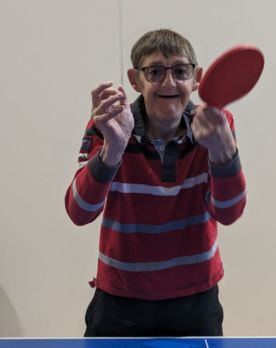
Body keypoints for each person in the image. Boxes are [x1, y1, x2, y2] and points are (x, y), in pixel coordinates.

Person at [65, 28, 246, 337]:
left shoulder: (216, 125)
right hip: (119, 299)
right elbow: (79, 212)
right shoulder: (109, 124)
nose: (169, 82)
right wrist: (113, 150)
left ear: (196, 77)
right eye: (155, 72)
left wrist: (222, 151)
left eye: (179, 71)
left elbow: (228, 212)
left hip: (195, 299)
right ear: (135, 80)